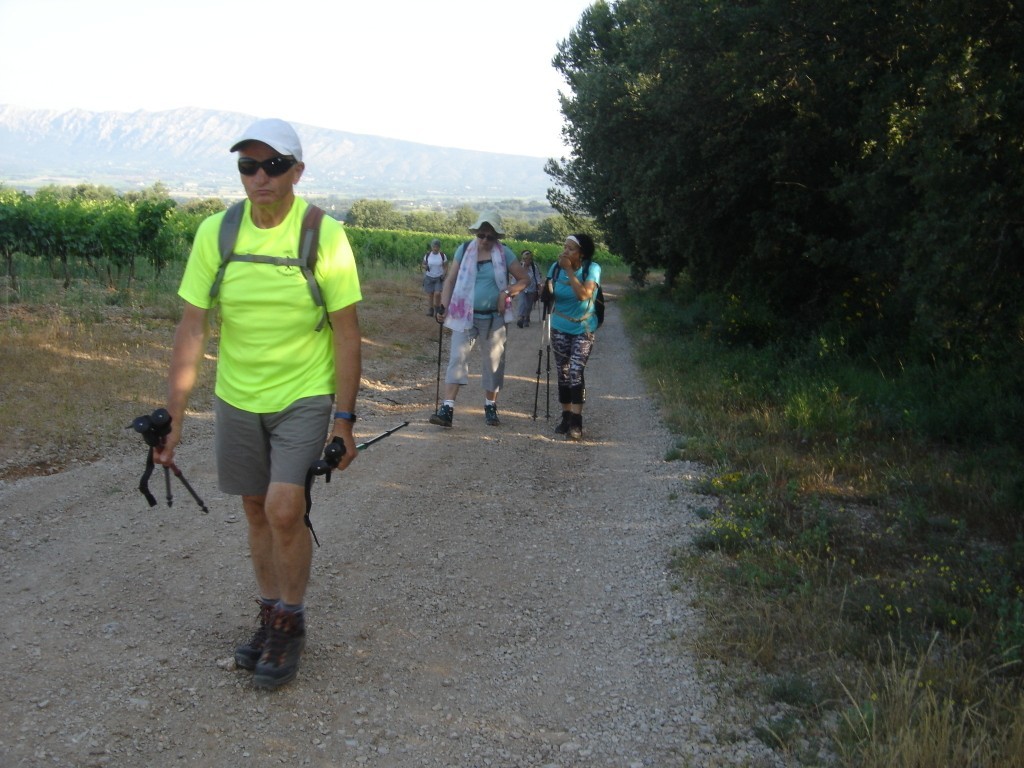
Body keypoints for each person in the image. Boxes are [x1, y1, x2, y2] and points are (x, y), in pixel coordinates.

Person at [153, 118, 363, 690]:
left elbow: (346, 333)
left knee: (282, 510)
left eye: (273, 165)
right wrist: (173, 413)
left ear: (297, 171)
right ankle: (270, 613)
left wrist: (344, 420)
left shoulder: (324, 235)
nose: (260, 176)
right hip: (237, 397)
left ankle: (291, 624)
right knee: (253, 510)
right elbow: (193, 325)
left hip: (304, 394)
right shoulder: (216, 233)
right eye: (248, 165)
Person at [430, 212, 530, 428]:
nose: (485, 240)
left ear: (496, 238)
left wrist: (507, 292)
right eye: (481, 235)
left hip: (494, 318)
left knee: (493, 362)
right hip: (464, 315)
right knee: (457, 358)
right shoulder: (464, 250)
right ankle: (447, 408)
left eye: (490, 236)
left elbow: (524, 279)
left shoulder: (505, 254)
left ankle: (490, 405)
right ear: (476, 233)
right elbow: (450, 281)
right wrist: (443, 307)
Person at [545, 233, 601, 440]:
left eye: (571, 249)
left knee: (576, 371)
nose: (565, 251)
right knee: (563, 372)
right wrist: (544, 291)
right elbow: (549, 291)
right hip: (559, 325)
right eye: (564, 246)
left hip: (583, 327)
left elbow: (584, 295)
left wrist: (569, 270)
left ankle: (577, 422)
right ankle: (566, 415)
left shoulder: (592, 269)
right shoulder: (555, 268)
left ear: (582, 253)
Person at [515, 249, 542, 328]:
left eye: (530, 259)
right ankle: (521, 318)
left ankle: (527, 317)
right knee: (522, 303)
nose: (529, 260)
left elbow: (538, 278)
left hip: (532, 289)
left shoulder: (534, 268)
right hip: (522, 288)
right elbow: (515, 277)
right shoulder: (519, 267)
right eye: (527, 259)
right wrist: (513, 287)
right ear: (523, 259)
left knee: (529, 305)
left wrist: (540, 289)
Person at [421, 238, 447, 316]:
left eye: (437, 247)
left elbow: (446, 266)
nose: (435, 248)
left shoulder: (442, 255)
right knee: (430, 294)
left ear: (439, 247)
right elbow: (423, 264)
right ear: (432, 247)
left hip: (439, 277)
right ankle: (430, 310)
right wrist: (425, 267)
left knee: (437, 293)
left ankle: (437, 308)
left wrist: (444, 274)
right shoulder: (428, 255)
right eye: (434, 247)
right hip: (429, 277)